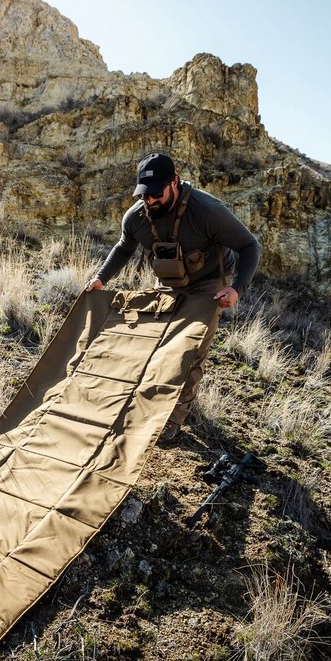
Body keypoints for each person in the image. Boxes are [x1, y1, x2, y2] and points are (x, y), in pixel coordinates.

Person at [85, 152, 261, 443]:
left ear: (175, 183)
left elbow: (249, 245)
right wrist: (101, 279)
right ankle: (147, 400)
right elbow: (123, 248)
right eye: (144, 195)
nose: (150, 201)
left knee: (188, 352)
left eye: (156, 194)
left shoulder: (207, 210)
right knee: (155, 344)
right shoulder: (137, 216)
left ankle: (174, 417)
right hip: (169, 281)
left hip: (210, 286)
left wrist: (237, 289)